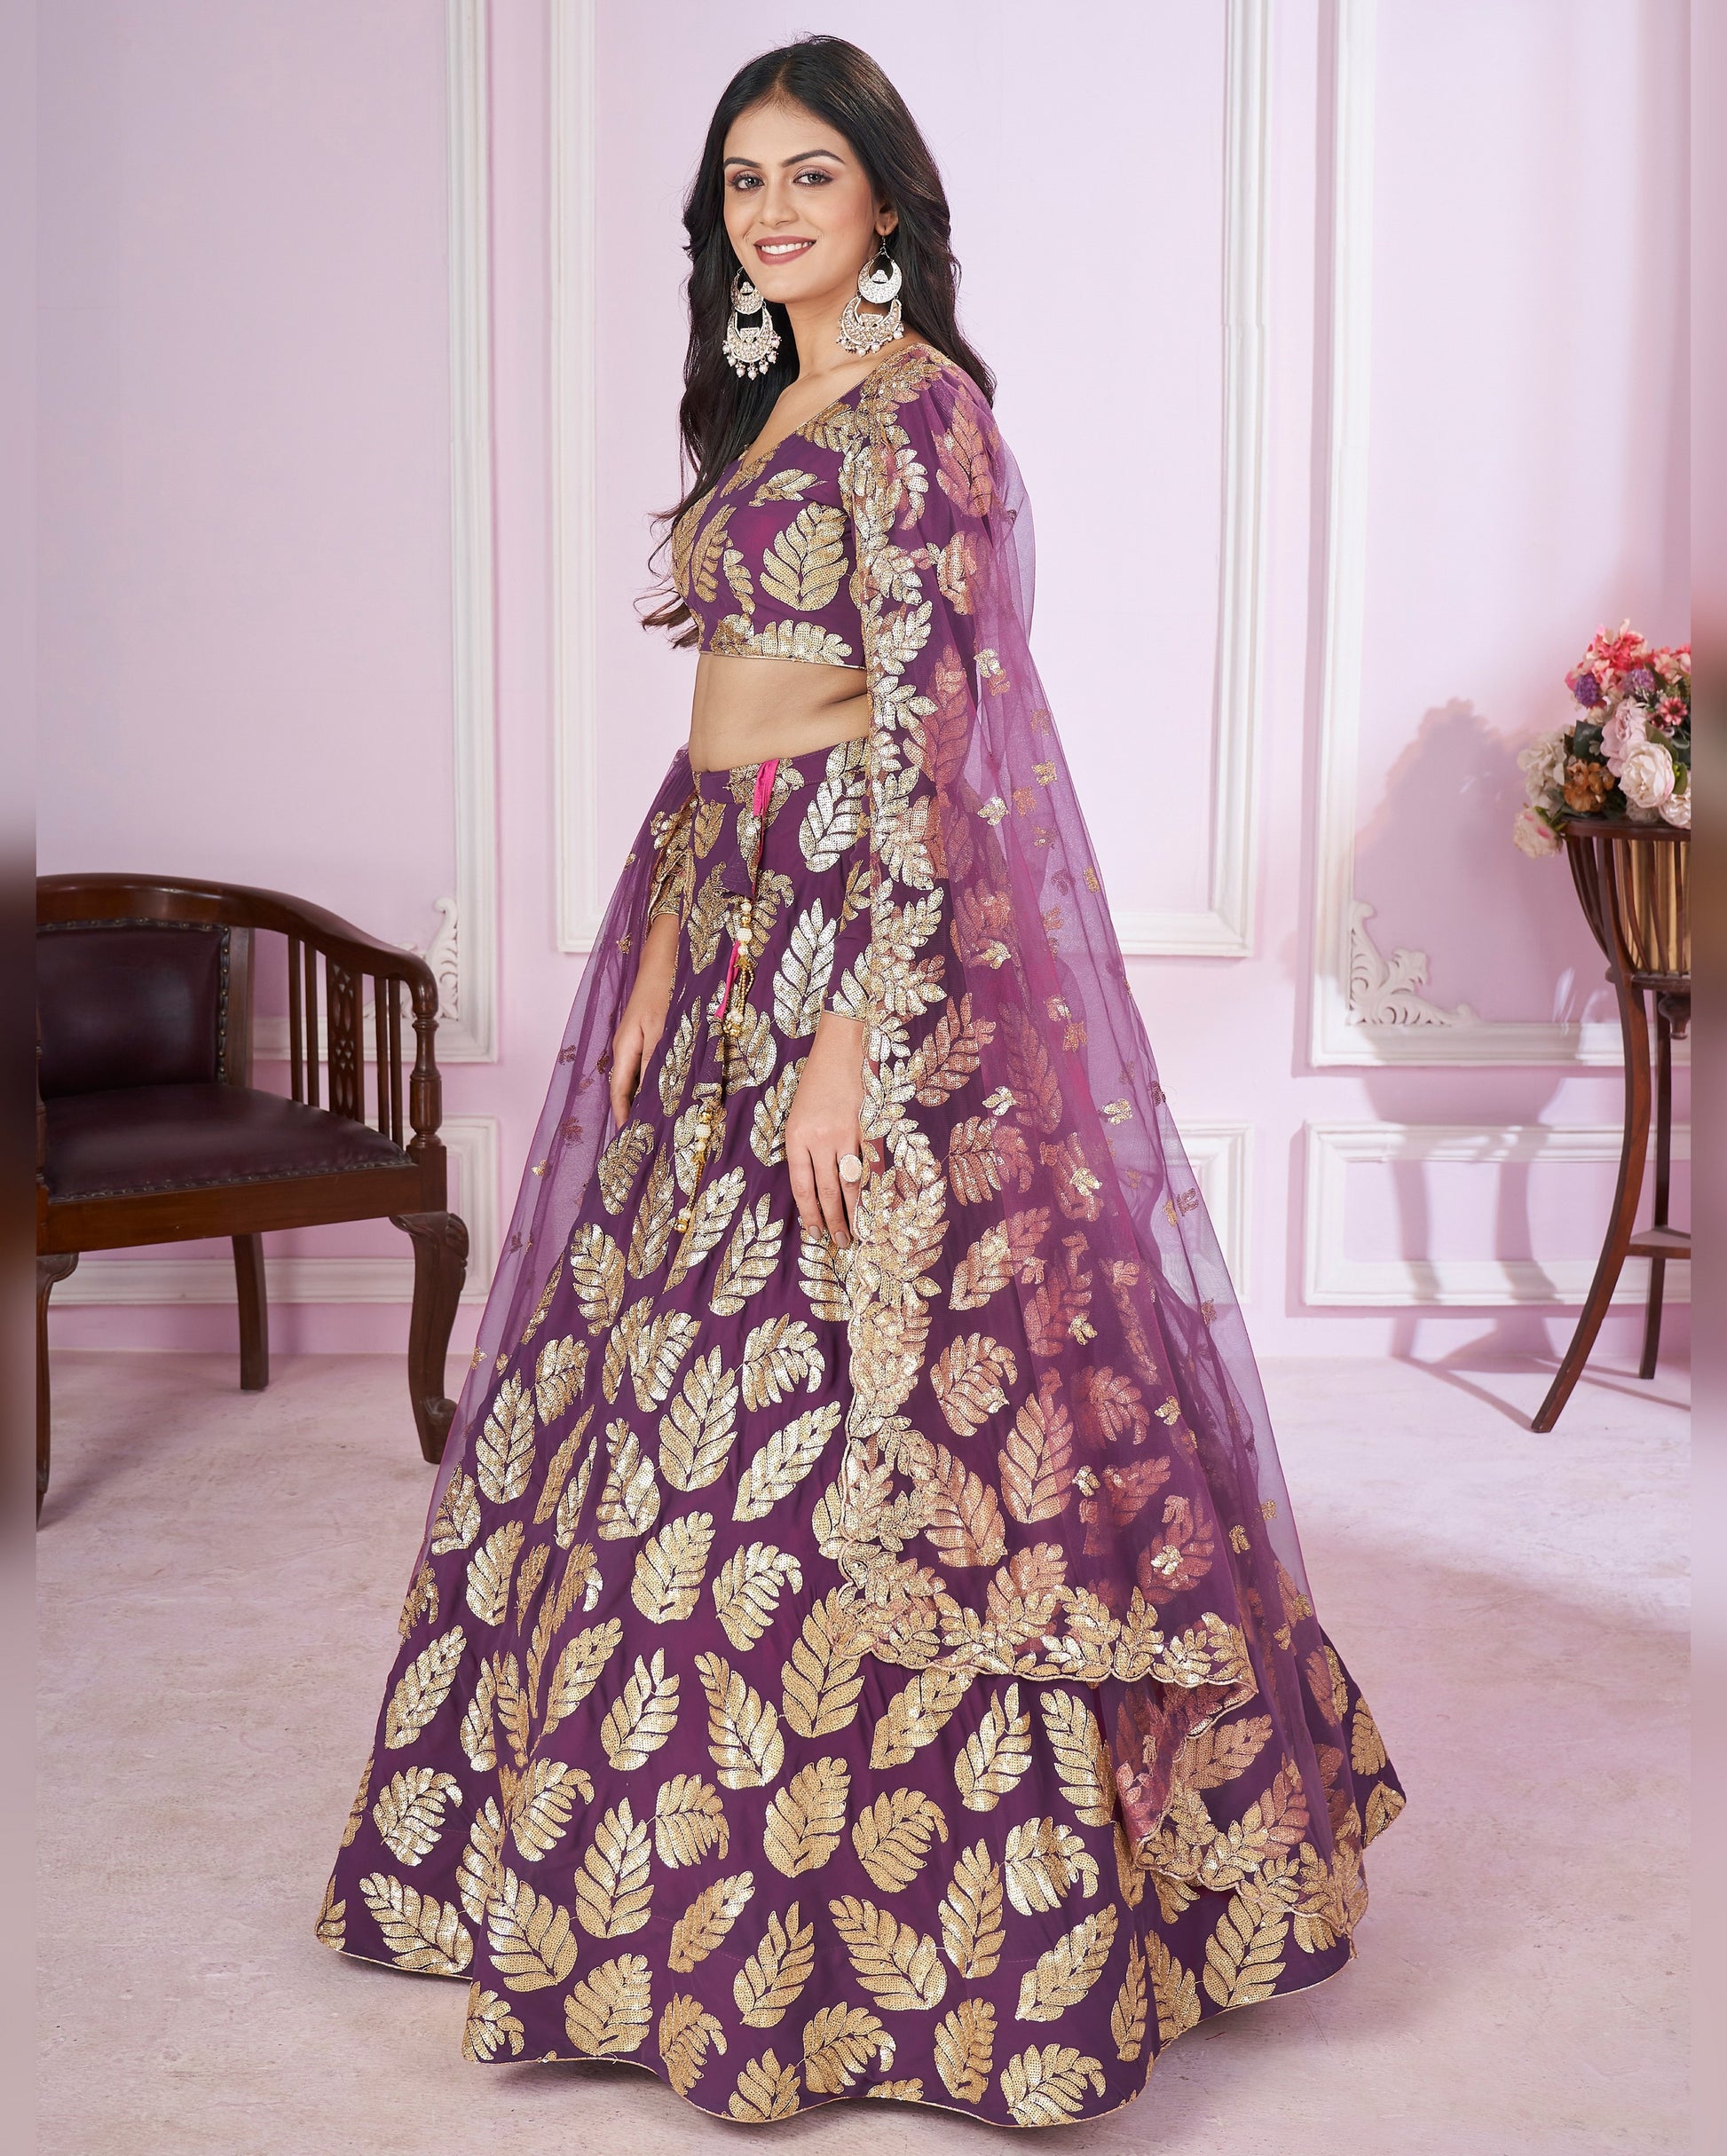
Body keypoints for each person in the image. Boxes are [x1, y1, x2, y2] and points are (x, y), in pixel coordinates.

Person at [318, 35, 1404, 2128]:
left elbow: (930, 737)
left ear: (887, 203)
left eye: (815, 175)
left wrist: (841, 1045)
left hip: (850, 938)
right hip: (712, 908)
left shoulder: (926, 420)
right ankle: (607, 1900)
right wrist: (648, 941)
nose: (776, 208)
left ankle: (878, 1960)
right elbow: (719, 714)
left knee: (828, 1428)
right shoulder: (774, 404)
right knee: (630, 1396)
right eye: (745, 181)